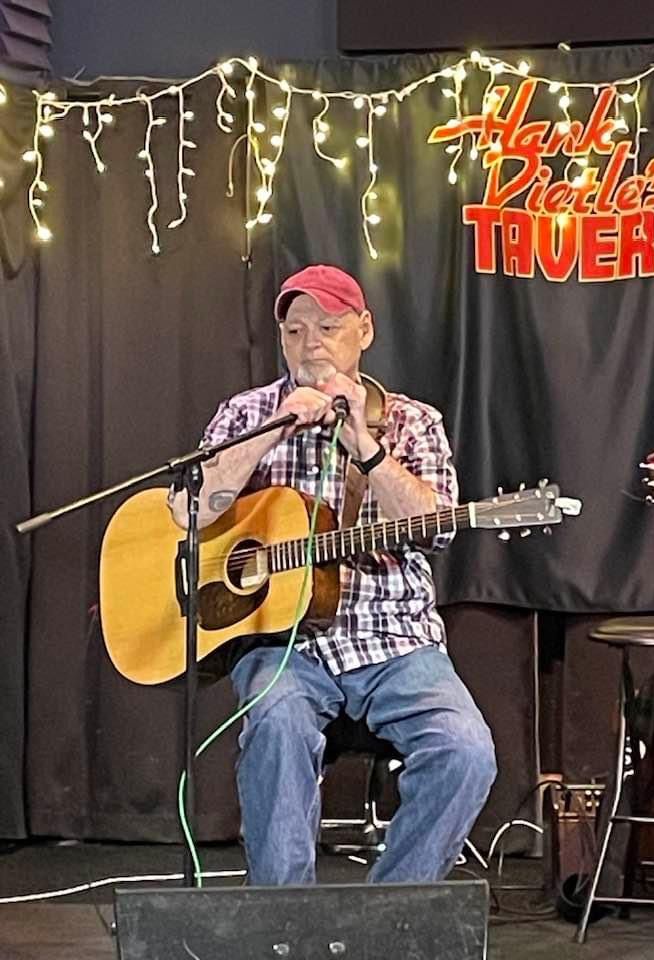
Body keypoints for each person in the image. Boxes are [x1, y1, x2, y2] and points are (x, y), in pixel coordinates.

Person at [170, 264, 496, 885]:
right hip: (284, 643)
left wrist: (365, 448)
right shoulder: (247, 411)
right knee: (276, 722)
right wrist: (270, 433)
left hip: (394, 640)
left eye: (327, 328)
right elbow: (190, 510)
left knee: (466, 751)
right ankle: (286, 920)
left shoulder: (412, 421)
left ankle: (388, 915)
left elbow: (436, 527)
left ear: (364, 331)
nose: (310, 344)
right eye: (295, 331)